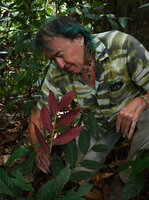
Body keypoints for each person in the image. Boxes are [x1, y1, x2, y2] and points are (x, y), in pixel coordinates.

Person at [29, 15, 149, 199]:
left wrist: (142, 101)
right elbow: (38, 115)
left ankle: (126, 178)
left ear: (79, 38)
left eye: (60, 55)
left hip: (137, 116)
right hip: (98, 124)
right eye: (53, 60)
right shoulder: (57, 71)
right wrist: (39, 150)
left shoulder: (121, 45)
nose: (59, 64)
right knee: (78, 173)